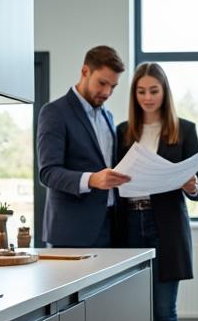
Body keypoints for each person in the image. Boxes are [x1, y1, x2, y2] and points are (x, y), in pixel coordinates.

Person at [114, 63, 198, 321]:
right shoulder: (123, 131)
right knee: (137, 312)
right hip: (129, 226)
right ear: (134, 95)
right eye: (141, 91)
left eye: (153, 90)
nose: (147, 97)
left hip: (164, 226)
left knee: (164, 312)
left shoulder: (183, 131)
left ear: (164, 93)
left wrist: (193, 185)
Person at [36, 45, 131, 248]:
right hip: (72, 233)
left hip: (111, 228)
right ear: (85, 71)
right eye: (102, 83)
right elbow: (48, 173)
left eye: (113, 87)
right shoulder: (54, 112)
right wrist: (92, 180)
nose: (107, 92)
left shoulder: (108, 116)